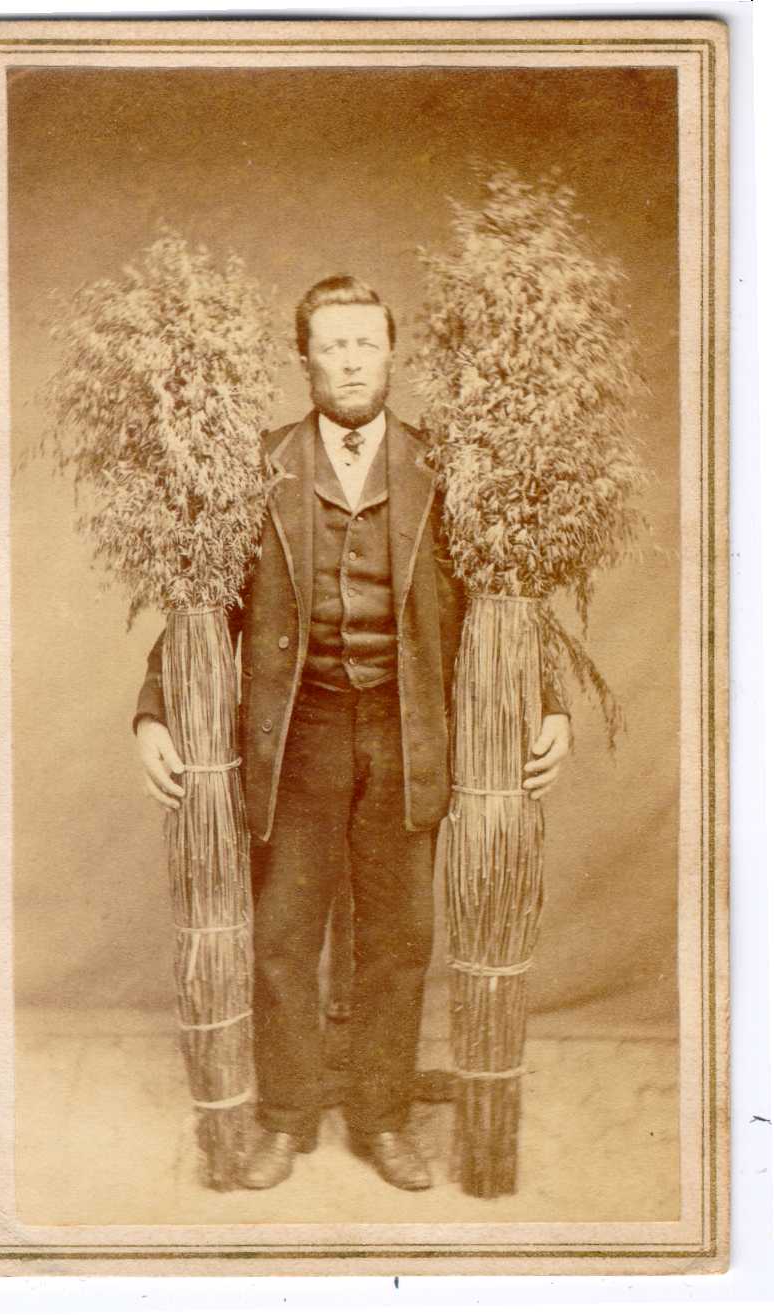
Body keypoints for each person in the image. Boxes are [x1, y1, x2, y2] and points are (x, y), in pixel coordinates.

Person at [134, 276, 571, 1192]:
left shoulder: (448, 468)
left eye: (364, 343)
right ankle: (286, 1115)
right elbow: (200, 606)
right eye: (331, 345)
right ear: (303, 358)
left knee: (399, 937)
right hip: (297, 733)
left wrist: (549, 703)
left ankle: (381, 1115)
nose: (349, 362)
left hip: (409, 734)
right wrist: (153, 713)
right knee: (283, 934)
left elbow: (503, 598)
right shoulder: (256, 466)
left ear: (391, 352)